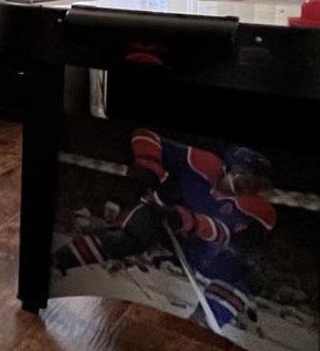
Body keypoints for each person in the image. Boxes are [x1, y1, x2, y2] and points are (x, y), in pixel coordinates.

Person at [54, 127, 277, 328]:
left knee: (249, 276)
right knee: (129, 237)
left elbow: (228, 237)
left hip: (202, 248)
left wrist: (188, 220)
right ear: (230, 167)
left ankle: (202, 324)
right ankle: (58, 262)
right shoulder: (203, 162)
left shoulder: (260, 210)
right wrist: (148, 169)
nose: (249, 186)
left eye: (257, 184)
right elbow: (145, 135)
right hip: (160, 217)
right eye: (246, 177)